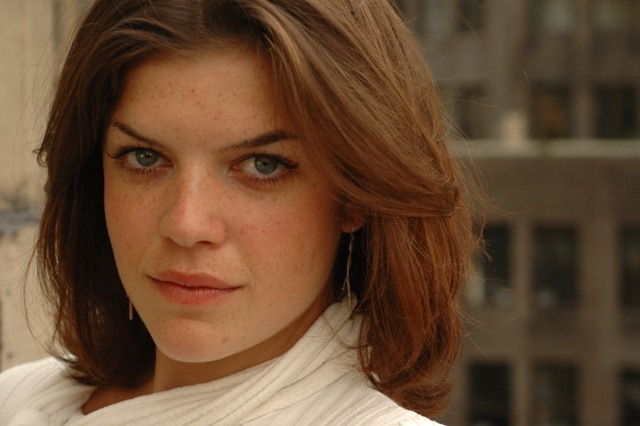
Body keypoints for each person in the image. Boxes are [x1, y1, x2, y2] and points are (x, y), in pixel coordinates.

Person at [0, 0, 477, 424]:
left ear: (356, 193)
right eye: (144, 158)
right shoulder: (14, 396)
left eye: (262, 165)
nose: (186, 224)